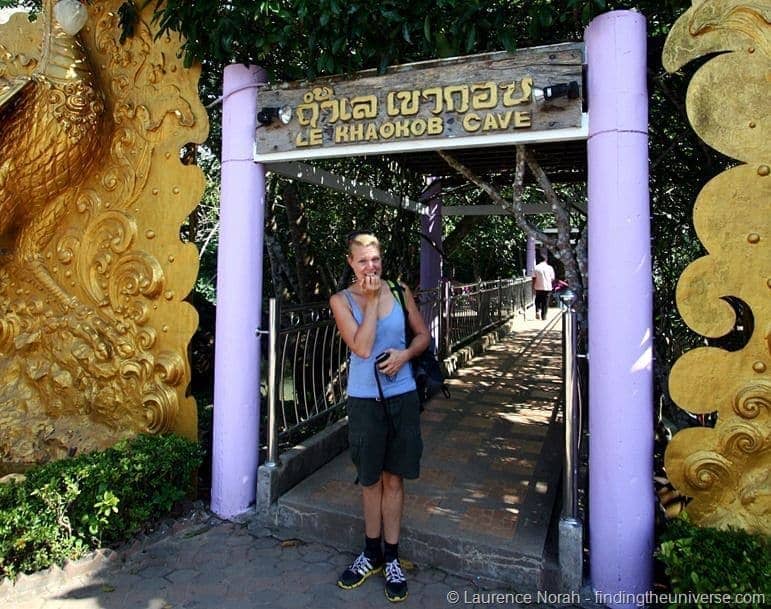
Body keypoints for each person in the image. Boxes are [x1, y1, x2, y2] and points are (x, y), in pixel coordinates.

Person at [329, 231, 430, 603]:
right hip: (365, 401)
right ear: (350, 263)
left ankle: (391, 556)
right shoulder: (341, 301)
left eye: (375, 259)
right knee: (370, 479)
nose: (370, 266)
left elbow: (422, 336)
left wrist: (404, 356)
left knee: (394, 479)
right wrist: (370, 303)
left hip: (401, 398)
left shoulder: (399, 289)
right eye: (363, 260)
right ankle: (370, 552)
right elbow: (362, 346)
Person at [532, 253, 555, 320]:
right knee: (545, 302)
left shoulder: (536, 268)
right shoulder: (550, 268)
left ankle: (537, 311)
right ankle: (544, 316)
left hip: (538, 286)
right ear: (545, 260)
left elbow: (534, 278)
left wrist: (533, 287)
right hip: (547, 287)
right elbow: (552, 278)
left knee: (537, 300)